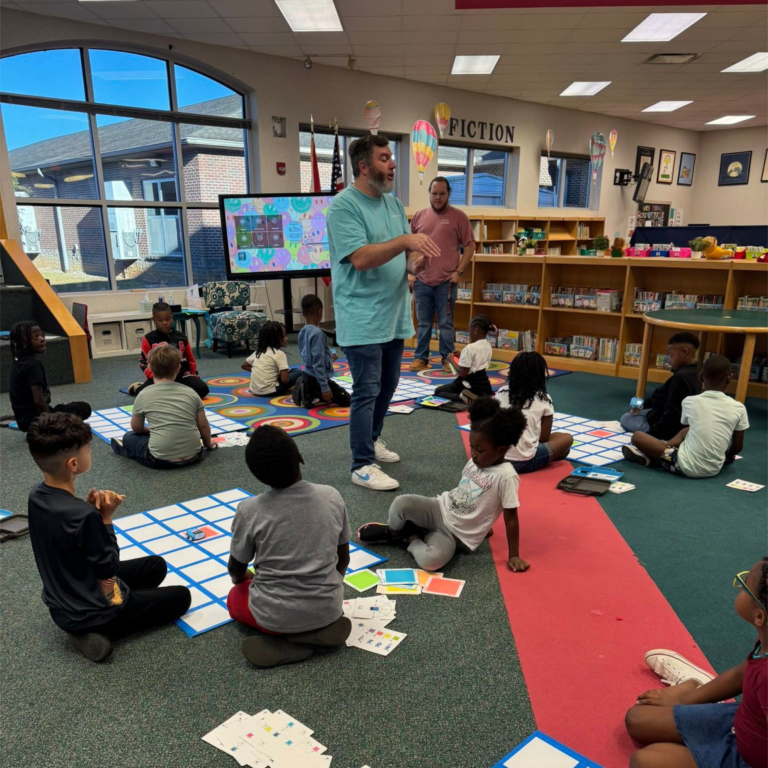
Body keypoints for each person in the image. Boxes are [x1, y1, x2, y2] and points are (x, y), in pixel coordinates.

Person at [26, 412, 191, 662]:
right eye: (88, 449)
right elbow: (108, 568)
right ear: (73, 464)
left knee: (156, 566)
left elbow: (64, 535)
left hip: (63, 597)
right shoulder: (84, 517)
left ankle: (85, 622)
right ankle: (94, 630)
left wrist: (87, 511)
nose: (90, 453)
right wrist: (105, 518)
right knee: (182, 596)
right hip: (95, 607)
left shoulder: (36, 495)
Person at [327, 133, 440, 492]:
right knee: (366, 389)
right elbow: (360, 258)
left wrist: (414, 263)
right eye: (384, 158)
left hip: (393, 314)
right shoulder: (343, 206)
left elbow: (400, 255)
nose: (392, 164)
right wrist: (406, 242)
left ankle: (373, 439)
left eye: (391, 157)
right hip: (361, 316)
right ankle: (360, 464)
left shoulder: (393, 204)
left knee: (389, 384)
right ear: (363, 166)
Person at [227, 425, 352, 669]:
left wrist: (245, 578)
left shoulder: (249, 509)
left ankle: (288, 639)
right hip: (329, 607)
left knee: (234, 598)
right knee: (320, 598)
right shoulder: (332, 495)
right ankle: (314, 630)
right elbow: (343, 559)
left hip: (273, 616)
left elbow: (235, 571)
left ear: (257, 475)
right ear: (300, 458)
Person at [358, 397, 529, 573]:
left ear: (500, 450)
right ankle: (393, 533)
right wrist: (484, 527)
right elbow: (469, 494)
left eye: (480, 450)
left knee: (430, 562)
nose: (474, 454)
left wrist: (514, 555)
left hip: (454, 534)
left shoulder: (507, 476)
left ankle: (411, 535)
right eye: (472, 447)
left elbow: (511, 518)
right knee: (401, 503)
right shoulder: (475, 462)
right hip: (439, 507)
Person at [625, 557, 767, 768]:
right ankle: (695, 685)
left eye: (745, 583)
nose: (739, 584)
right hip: (740, 721)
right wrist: (685, 701)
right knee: (636, 718)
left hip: (746, 760)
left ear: (759, 616)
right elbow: (740, 675)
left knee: (644, 761)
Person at [622, 355, 749, 478]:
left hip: (683, 466)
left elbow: (686, 424)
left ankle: (655, 455)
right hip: (715, 468)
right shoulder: (739, 408)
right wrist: (728, 455)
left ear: (701, 377)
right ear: (730, 378)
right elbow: (738, 447)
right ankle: (660, 452)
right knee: (687, 431)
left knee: (637, 436)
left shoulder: (689, 401)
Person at [409, 177, 476, 373]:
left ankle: (448, 359)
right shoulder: (419, 216)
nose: (437, 198)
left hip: (446, 282)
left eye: (442, 194)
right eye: (434, 193)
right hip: (422, 281)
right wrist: (410, 272)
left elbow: (470, 246)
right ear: (429, 194)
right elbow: (409, 245)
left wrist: (459, 271)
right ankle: (421, 358)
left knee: (446, 323)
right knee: (423, 323)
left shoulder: (459, 217)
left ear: (448, 194)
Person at [111, 345, 217, 469]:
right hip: (194, 455)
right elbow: (203, 426)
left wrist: (151, 431)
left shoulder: (144, 394)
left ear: (149, 367)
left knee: (129, 437)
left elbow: (136, 427)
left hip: (160, 460)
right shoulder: (191, 392)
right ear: (178, 367)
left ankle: (125, 449)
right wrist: (208, 444)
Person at [496, 351, 573, 473]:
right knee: (567, 439)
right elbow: (544, 438)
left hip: (496, 459)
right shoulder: (543, 399)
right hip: (523, 461)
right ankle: (550, 457)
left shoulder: (501, 392)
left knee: (558, 443)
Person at [8, 321, 91, 432]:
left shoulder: (18, 361)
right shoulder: (33, 365)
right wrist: (50, 424)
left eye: (41, 335)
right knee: (84, 408)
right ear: (23, 343)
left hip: (24, 421)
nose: (42, 339)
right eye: (35, 337)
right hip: (36, 421)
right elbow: (39, 401)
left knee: (65, 410)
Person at [620, 332, 701, 438]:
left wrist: (654, 433)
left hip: (665, 427)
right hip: (668, 417)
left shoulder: (680, 378)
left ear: (684, 352)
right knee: (639, 412)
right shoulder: (694, 373)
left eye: (671, 355)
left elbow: (673, 413)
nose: (670, 359)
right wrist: (644, 404)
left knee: (626, 418)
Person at [129, 302, 209, 399]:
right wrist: (154, 377)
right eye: (160, 320)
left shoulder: (182, 337)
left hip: (181, 375)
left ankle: (170, 393)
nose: (164, 323)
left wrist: (195, 376)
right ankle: (137, 387)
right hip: (159, 378)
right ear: (154, 320)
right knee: (143, 395)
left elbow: (190, 359)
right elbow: (143, 362)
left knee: (203, 389)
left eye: (167, 319)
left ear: (172, 318)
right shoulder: (148, 338)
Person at [295, 294, 350, 407]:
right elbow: (318, 363)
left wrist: (329, 357)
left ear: (303, 313)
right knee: (347, 399)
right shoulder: (318, 334)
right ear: (319, 312)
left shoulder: (302, 331)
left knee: (326, 395)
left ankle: (308, 391)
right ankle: (313, 392)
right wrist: (324, 387)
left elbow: (308, 354)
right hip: (317, 379)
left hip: (307, 374)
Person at [433, 315, 495, 403]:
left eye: (470, 330)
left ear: (476, 330)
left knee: (438, 392)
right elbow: (477, 360)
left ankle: (462, 397)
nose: (469, 333)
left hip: (468, 384)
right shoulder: (488, 345)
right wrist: (461, 355)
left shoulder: (469, 348)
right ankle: (476, 396)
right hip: (483, 384)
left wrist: (451, 360)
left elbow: (463, 374)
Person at [241, 321, 301, 397]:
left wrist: (260, 371)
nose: (286, 338)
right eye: (283, 336)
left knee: (289, 371)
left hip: (254, 390)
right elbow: (285, 380)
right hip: (272, 390)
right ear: (274, 339)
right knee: (298, 372)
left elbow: (244, 366)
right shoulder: (279, 354)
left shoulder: (258, 351)